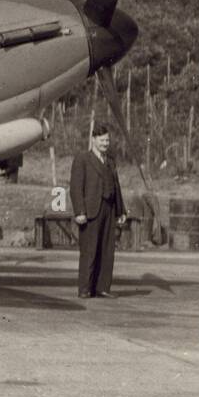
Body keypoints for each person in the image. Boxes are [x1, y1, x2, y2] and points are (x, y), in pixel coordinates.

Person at [70, 123, 127, 298]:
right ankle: (85, 289)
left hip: (108, 209)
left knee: (107, 249)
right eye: (102, 140)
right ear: (93, 140)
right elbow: (76, 187)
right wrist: (80, 211)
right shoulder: (82, 159)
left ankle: (102, 288)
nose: (105, 143)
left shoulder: (110, 161)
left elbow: (116, 186)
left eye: (107, 140)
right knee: (89, 250)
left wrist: (121, 211)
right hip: (91, 211)